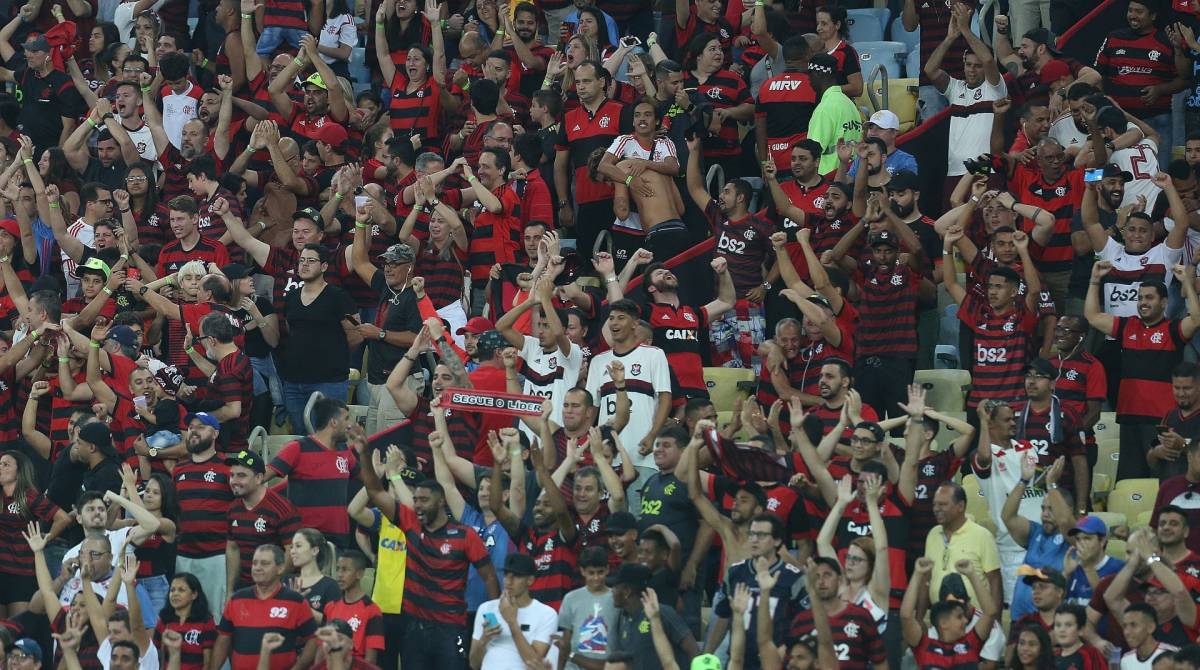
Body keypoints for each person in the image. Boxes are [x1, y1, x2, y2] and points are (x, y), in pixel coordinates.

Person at [210, 545, 319, 670]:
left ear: (280, 568)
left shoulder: (295, 601)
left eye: (264, 563)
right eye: (254, 563)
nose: (257, 568)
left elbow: (313, 639)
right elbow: (223, 639)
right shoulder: (237, 599)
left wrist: (299, 667)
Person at [468, 553, 557, 670]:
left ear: (530, 580)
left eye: (516, 576)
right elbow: (474, 664)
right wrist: (484, 639)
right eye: (506, 575)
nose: (508, 581)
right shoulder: (486, 608)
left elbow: (534, 663)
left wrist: (512, 623)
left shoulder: (547, 614)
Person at [557, 546, 618, 670]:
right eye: (591, 573)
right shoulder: (570, 598)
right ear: (582, 571)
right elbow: (566, 641)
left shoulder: (617, 598)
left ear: (607, 569)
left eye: (600, 572)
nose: (596, 578)